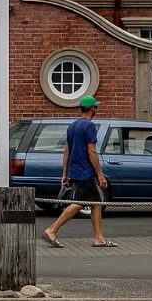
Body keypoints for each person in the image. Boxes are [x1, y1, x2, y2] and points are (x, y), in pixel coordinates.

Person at [41, 96, 115, 248]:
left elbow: (66, 151)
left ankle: (99, 238)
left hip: (75, 170)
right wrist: (100, 175)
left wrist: (65, 174)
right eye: (96, 107)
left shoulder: (72, 126)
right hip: (86, 171)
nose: (97, 109)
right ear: (92, 109)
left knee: (96, 203)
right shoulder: (89, 126)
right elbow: (92, 151)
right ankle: (52, 229)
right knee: (80, 203)